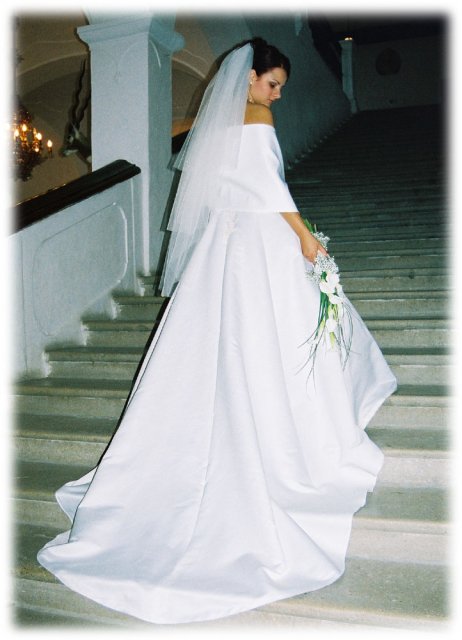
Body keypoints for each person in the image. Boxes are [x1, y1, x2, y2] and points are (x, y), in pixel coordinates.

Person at [37, 38, 397, 625]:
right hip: (259, 238)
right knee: (277, 336)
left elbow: (225, 181)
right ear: (249, 78)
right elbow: (270, 188)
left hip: (224, 244)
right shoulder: (257, 119)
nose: (275, 96)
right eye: (272, 83)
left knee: (227, 343)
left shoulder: (224, 123)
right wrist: (305, 236)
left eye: (279, 88)